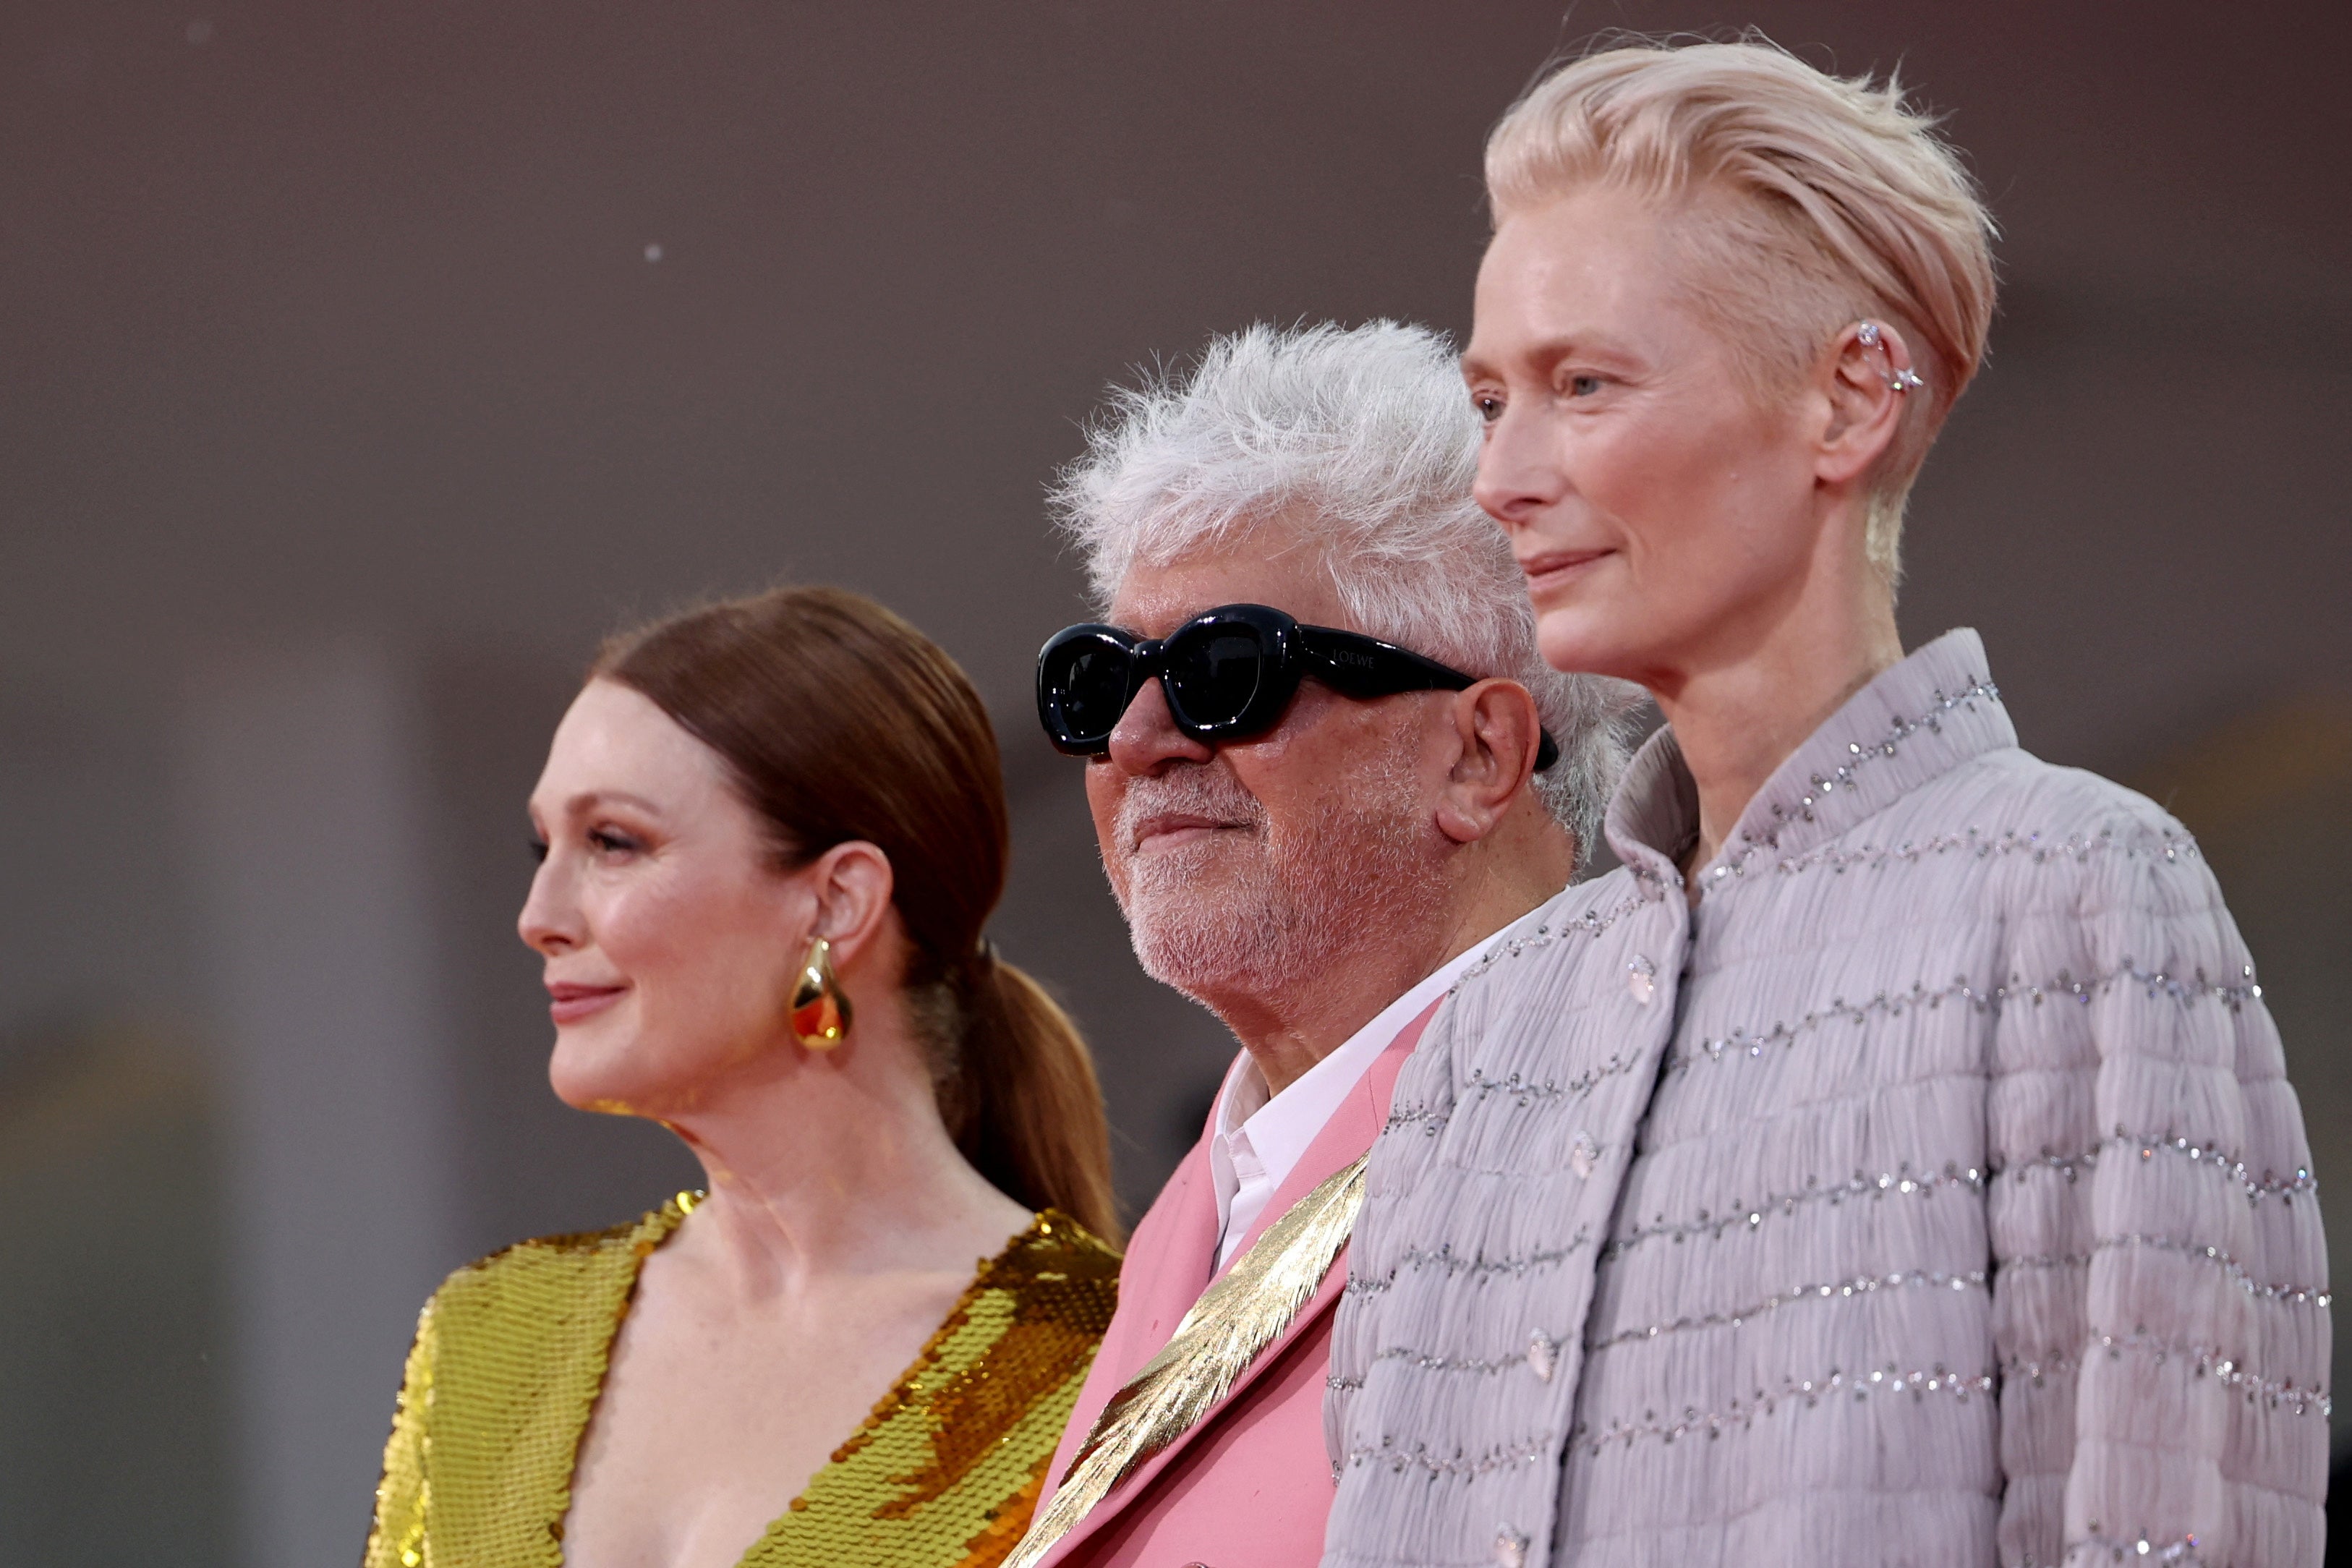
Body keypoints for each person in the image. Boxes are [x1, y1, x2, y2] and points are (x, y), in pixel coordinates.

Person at [1323, 39, 2330, 1568]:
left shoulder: (2079, 893)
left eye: (1583, 384)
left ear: (1850, 400)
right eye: (1488, 399)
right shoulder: (1488, 1040)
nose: (1500, 477)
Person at [1002, 322, 1635, 1568]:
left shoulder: (1638, 1126)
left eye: (1225, 672)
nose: (1136, 739)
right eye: (1102, 678)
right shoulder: (1199, 1207)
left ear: (1479, 753)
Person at [363, 587, 1124, 1568]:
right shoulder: (492, 1338)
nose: (539, 913)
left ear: (836, 903)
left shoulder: (1095, 1361)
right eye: (542, 845)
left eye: (612, 843)